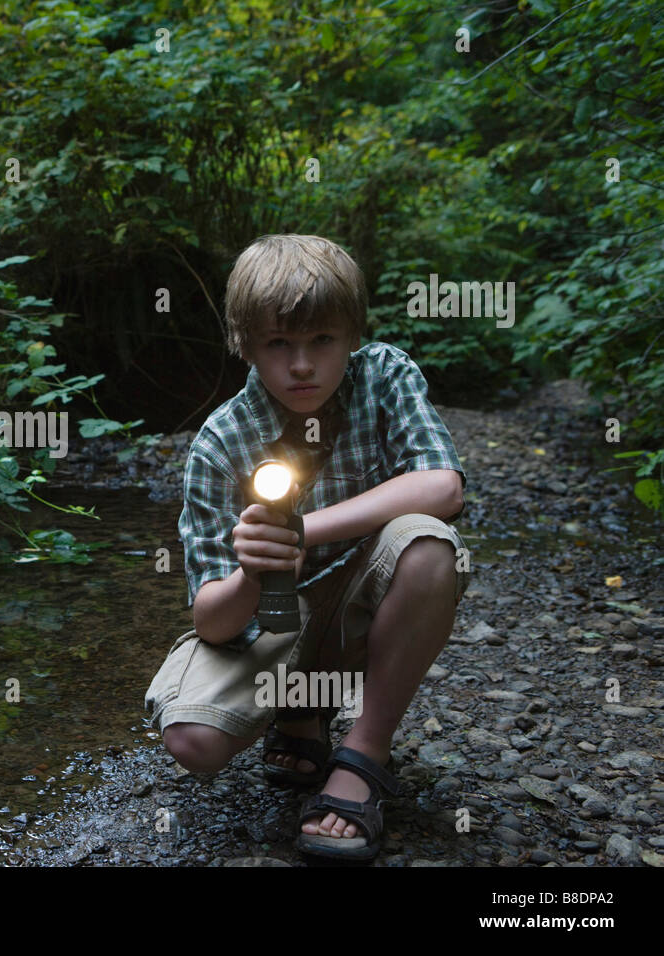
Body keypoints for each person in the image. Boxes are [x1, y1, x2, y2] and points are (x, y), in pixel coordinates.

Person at [144, 234, 471, 861]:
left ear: (352, 335)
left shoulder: (385, 375)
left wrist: (302, 531)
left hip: (361, 604)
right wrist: (250, 570)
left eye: (322, 340)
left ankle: (362, 758)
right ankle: (299, 713)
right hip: (273, 619)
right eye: (278, 344)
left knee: (428, 545)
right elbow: (212, 621)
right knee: (191, 740)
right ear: (244, 344)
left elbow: (443, 486)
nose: (301, 365)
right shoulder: (221, 440)